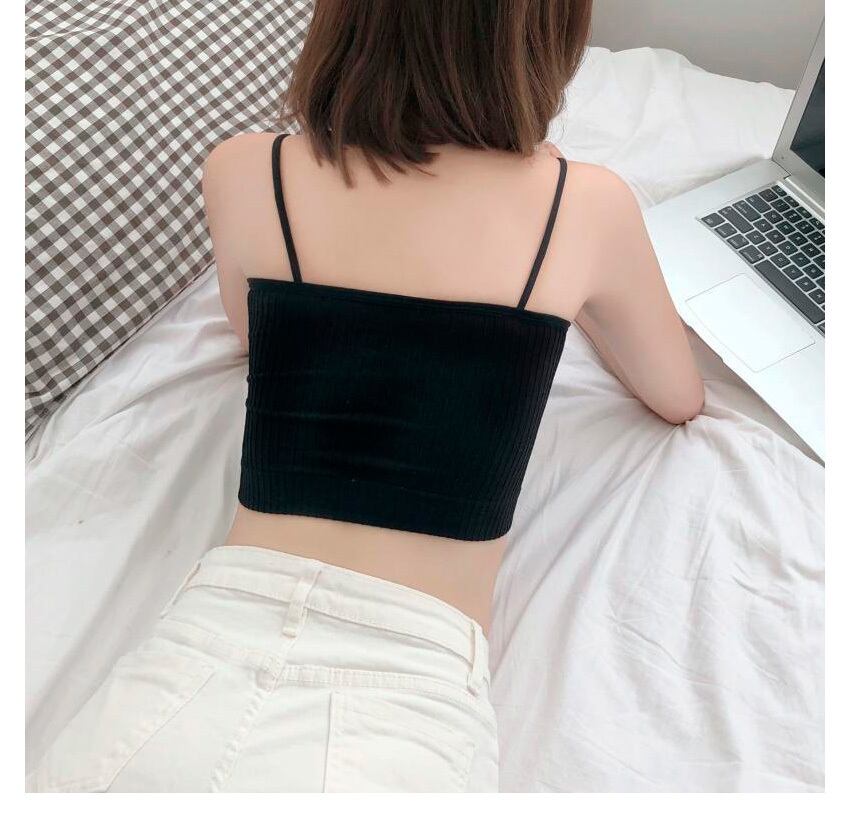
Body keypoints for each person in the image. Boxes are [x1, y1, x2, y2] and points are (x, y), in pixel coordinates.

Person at [28, 0, 703, 792]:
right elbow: (677, 394)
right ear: (543, 36)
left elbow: (252, 330)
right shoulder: (582, 206)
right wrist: (563, 305)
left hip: (192, 656)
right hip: (403, 698)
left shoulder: (247, 169)